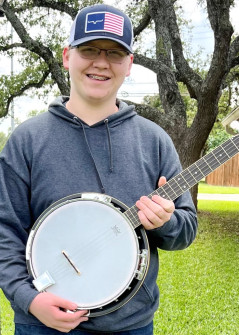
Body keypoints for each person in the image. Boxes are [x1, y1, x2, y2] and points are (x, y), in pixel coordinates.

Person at [0, 4, 197, 335]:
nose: (101, 62)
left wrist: (167, 221)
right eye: (89, 49)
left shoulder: (155, 141)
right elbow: (5, 230)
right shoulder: (27, 140)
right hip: (43, 325)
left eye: (115, 53)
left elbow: (186, 228)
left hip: (131, 325)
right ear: (67, 56)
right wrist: (29, 299)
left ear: (129, 65)